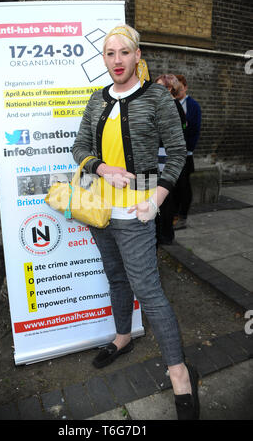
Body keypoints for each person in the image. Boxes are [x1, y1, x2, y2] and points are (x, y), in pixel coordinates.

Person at [72, 24, 200, 420]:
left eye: (123, 53)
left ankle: (179, 373)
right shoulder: (97, 100)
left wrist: (157, 200)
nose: (116, 61)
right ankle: (123, 337)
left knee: (148, 287)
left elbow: (177, 153)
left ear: (137, 55)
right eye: (109, 54)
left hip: (137, 209)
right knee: (116, 276)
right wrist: (102, 167)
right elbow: (79, 147)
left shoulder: (156, 97)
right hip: (99, 209)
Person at [154, 74, 187, 245]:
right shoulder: (164, 105)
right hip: (156, 156)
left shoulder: (173, 106)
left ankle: (165, 235)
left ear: (170, 88)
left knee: (165, 198)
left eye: (162, 87)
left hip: (165, 158)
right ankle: (161, 233)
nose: (158, 90)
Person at [173, 74, 201, 230]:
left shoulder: (193, 105)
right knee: (174, 186)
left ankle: (183, 216)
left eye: (181, 87)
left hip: (185, 154)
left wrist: (189, 149)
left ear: (185, 87)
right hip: (171, 154)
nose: (178, 90)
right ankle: (174, 215)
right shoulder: (171, 103)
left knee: (184, 186)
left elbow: (195, 129)